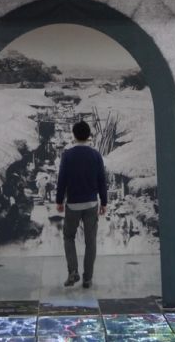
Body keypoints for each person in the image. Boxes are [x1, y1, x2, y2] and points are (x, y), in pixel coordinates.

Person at [56, 120, 107, 288]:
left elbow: (62, 179)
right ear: (89, 135)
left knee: (68, 236)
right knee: (90, 241)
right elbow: (102, 180)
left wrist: (59, 200)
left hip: (73, 204)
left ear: (74, 135)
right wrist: (104, 202)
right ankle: (88, 278)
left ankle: (73, 271)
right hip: (91, 203)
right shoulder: (96, 155)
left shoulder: (68, 155)